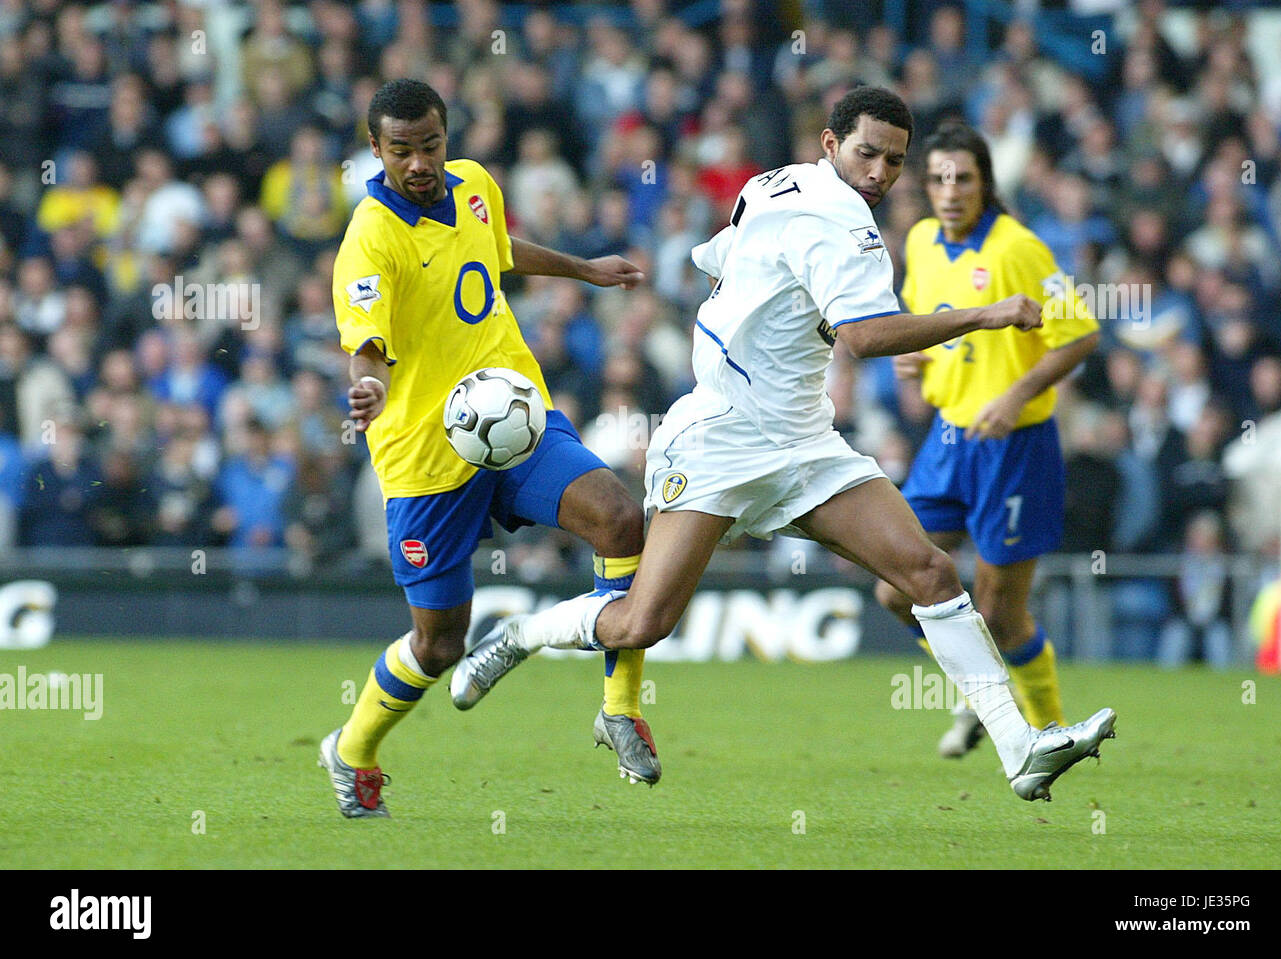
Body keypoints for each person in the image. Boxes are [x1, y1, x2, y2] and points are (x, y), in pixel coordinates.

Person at [451, 87, 1116, 803]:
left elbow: (716, 258)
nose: (880, 173)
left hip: (803, 441)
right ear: (831, 145)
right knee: (644, 621)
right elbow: (862, 338)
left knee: (928, 571)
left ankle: (1021, 749)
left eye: (894, 160)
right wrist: (981, 315)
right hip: (720, 440)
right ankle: (521, 631)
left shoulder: (772, 181)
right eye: (867, 153)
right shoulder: (845, 223)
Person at [320, 79, 658, 820]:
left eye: (431, 144)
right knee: (440, 646)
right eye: (401, 150)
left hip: (513, 423)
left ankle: (618, 707)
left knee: (621, 519)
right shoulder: (370, 240)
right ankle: (351, 748)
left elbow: (499, 252)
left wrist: (586, 269)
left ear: (448, 137)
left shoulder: (473, 183)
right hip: (425, 459)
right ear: (375, 150)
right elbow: (368, 347)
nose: (419, 162)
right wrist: (369, 386)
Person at [873, 122, 1101, 758]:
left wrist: (1014, 396)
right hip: (946, 443)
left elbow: (1081, 333)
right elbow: (924, 318)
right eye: (939, 178)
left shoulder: (1016, 249)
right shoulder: (919, 241)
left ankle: (1051, 729)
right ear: (925, 185)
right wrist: (914, 362)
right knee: (894, 588)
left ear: (984, 184)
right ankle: (984, 696)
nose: (950, 191)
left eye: (963, 178)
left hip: (1016, 447)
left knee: (1002, 615)